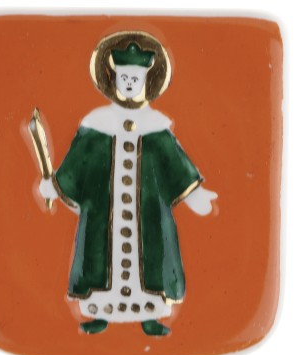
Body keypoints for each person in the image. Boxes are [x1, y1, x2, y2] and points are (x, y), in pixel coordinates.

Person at [39, 36, 217, 336]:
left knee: (152, 262)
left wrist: (195, 194)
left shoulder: (157, 126)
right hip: (101, 216)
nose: (130, 83)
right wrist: (55, 186)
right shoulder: (96, 124)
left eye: (135, 78)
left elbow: (175, 165)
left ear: (147, 80)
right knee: (97, 260)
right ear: (113, 80)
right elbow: (77, 164)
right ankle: (100, 314)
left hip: (149, 220)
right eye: (125, 78)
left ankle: (150, 316)